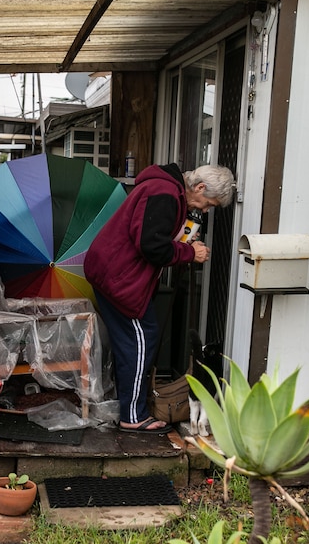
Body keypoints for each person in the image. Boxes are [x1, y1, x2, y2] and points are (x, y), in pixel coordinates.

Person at [84, 163, 235, 433]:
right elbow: (151, 245)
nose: (205, 210)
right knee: (140, 341)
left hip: (110, 272)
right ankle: (133, 417)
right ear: (199, 187)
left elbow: (147, 235)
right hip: (120, 278)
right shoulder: (165, 194)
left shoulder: (164, 188)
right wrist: (190, 254)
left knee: (133, 341)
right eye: (208, 203)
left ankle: (129, 406)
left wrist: (181, 242)